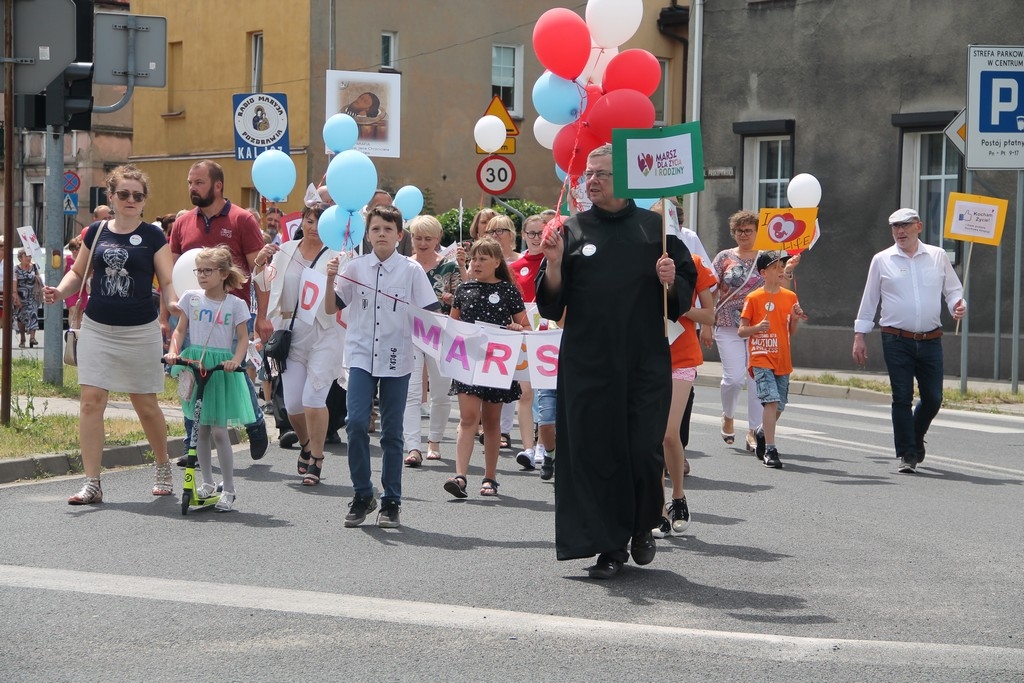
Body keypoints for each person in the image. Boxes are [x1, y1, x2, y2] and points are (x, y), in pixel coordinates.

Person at [536, 143, 697, 580]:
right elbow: (551, 304)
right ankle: (609, 545)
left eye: (602, 174)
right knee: (595, 451)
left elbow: (681, 295)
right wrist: (554, 264)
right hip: (588, 362)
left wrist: (670, 281)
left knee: (642, 449)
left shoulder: (654, 229)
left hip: (643, 360)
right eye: (588, 174)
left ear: (625, 179)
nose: (592, 181)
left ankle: (642, 526)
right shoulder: (571, 230)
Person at [42, 164, 178, 505]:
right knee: (91, 401)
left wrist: (174, 303)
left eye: (138, 195)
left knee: (145, 404)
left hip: (140, 330)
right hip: (98, 327)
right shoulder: (96, 232)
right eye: (124, 194)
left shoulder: (153, 236)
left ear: (144, 200)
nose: (131, 200)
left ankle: (163, 465)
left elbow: (167, 279)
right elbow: (78, 273)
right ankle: (92, 482)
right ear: (112, 197)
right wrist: (59, 291)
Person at [327, 205, 439, 528]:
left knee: (392, 432)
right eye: (375, 229)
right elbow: (331, 307)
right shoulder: (355, 267)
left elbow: (431, 314)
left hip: (397, 357)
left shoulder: (411, 270)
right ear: (367, 234)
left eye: (388, 229)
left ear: (400, 235)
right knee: (355, 423)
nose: (381, 234)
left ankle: (391, 500)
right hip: (361, 356)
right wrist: (331, 277)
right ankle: (363, 493)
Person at [167, 160, 269, 462]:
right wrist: (166, 312)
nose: (192, 188)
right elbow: (171, 272)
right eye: (190, 183)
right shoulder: (182, 223)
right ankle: (192, 446)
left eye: (199, 182)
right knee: (191, 376)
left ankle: (255, 423)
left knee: (232, 373)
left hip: (230, 315)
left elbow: (260, 273)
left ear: (218, 185)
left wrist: (262, 317)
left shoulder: (242, 220)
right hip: (191, 314)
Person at [852, 208, 966, 474]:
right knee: (902, 397)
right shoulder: (882, 260)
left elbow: (953, 290)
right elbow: (870, 299)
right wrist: (860, 335)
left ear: (919, 227)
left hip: (930, 338)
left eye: (905, 225)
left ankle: (915, 435)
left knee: (933, 398)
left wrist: (957, 305)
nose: (900, 231)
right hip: (896, 338)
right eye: (895, 227)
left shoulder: (937, 255)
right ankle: (907, 453)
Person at [254, 204, 343, 485]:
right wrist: (259, 263)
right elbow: (265, 284)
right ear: (301, 222)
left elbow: (344, 296)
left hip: (324, 333)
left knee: (313, 399)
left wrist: (334, 275)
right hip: (290, 334)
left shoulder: (338, 255)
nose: (313, 227)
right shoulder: (286, 250)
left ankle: (317, 458)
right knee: (293, 405)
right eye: (309, 220)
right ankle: (306, 445)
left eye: (320, 221)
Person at [164, 246, 255, 511]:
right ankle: (206, 481)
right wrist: (173, 352)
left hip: (220, 368)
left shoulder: (236, 305)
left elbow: (243, 338)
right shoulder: (191, 298)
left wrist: (236, 360)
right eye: (199, 270)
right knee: (199, 428)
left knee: (218, 430)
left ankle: (229, 488)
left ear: (223, 274)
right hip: (195, 364)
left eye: (207, 271)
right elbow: (180, 330)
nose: (201, 275)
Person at [703, 211, 798, 452]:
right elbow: (710, 290)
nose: (743, 234)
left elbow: (782, 287)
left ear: (757, 232)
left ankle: (754, 431)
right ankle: (728, 415)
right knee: (734, 379)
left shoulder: (768, 256)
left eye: (748, 230)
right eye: (739, 230)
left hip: (761, 327)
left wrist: (788, 270)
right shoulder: (723, 257)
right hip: (728, 324)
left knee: (758, 380)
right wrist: (706, 323)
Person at [443, 238, 529, 499]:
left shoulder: (509, 290)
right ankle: (460, 476)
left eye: (483, 259)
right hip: (468, 363)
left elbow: (526, 326)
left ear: (497, 262)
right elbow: (452, 325)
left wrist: (517, 328)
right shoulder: (464, 289)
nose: (476, 263)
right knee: (468, 418)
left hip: (496, 366)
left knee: (491, 423)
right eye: (474, 259)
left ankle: (490, 477)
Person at [653, 252, 717, 537]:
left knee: (669, 433)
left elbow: (709, 315)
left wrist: (680, 306)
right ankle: (658, 509)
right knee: (651, 437)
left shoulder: (692, 262)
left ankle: (678, 497)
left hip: (682, 358)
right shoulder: (637, 255)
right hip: (646, 357)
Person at [402, 214, 465, 466]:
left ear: (438, 238)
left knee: (440, 391)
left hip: (441, 333)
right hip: (409, 332)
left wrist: (452, 299)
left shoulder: (449, 266)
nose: (422, 243)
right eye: (418, 238)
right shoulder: (404, 265)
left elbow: (464, 299)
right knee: (411, 391)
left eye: (428, 238)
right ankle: (413, 446)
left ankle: (434, 440)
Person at [738, 251, 805, 469]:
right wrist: (757, 328)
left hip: (782, 358)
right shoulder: (754, 298)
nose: (780, 271)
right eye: (775, 267)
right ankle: (770, 448)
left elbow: (791, 331)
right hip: (761, 357)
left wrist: (795, 319)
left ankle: (761, 431)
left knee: (780, 405)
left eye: (782, 267)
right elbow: (742, 331)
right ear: (763, 273)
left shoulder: (790, 297)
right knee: (771, 401)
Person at [510, 215, 546, 470]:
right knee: (525, 393)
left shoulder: (554, 262)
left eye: (540, 233)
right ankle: (528, 448)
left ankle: (544, 444)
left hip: (548, 334)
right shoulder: (515, 267)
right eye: (531, 233)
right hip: (524, 334)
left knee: (545, 393)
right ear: (523, 235)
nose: (535, 238)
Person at [13, 249, 42, 348]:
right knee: (21, 318)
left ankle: (32, 338)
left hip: (32, 295)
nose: (29, 258)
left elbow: (39, 279)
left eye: (30, 256)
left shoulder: (34, 267)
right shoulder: (16, 269)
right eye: (26, 256)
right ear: (20, 258)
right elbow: (14, 282)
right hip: (20, 296)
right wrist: (15, 295)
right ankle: (22, 338)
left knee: (33, 314)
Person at [64, 237, 88, 329]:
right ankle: (72, 331)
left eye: (77, 249)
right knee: (73, 310)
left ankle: (77, 332)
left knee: (80, 312)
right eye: (72, 249)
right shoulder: (66, 259)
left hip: (82, 289)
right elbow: (63, 274)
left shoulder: (84, 260)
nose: (74, 251)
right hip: (70, 289)